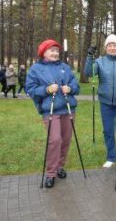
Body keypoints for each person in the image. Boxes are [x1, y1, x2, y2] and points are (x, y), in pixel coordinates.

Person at [25, 39, 80, 188]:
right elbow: (29, 89)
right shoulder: (36, 69)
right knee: (55, 140)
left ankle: (60, 166)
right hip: (50, 110)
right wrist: (47, 90)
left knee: (66, 140)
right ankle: (51, 173)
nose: (55, 53)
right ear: (44, 52)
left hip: (68, 109)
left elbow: (76, 85)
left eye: (56, 50)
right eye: (52, 50)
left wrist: (70, 88)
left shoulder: (65, 67)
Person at [84, 34, 116, 168]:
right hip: (105, 102)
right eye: (109, 45)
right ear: (106, 48)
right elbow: (88, 73)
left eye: (114, 45)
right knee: (108, 130)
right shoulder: (99, 61)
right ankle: (111, 156)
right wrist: (89, 56)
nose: (112, 48)